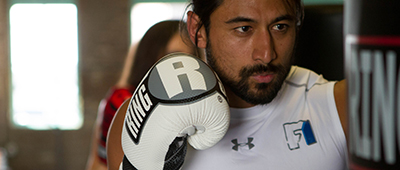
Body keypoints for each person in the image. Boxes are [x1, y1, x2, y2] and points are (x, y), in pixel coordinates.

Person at [107, 0, 348, 169]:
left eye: (280, 27)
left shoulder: (340, 106)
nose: (266, 53)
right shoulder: (139, 118)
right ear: (197, 30)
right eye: (244, 29)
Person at [85, 20, 198, 170]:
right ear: (152, 56)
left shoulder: (192, 103)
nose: (182, 66)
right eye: (173, 55)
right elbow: (103, 164)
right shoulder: (123, 99)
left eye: (189, 57)